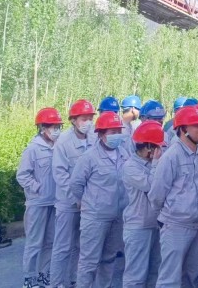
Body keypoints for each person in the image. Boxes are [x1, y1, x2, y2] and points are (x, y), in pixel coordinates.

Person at [148, 106, 198, 287]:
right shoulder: (171, 156)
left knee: (191, 276)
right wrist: (169, 217)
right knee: (170, 279)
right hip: (176, 226)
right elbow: (156, 194)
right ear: (183, 129)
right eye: (196, 125)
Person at [69, 111, 129, 288]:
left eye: (118, 131)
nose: (117, 135)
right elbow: (76, 184)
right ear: (101, 134)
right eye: (112, 132)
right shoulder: (89, 157)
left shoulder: (124, 153)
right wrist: (88, 203)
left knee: (109, 259)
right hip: (95, 218)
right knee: (89, 261)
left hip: (117, 217)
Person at [51, 100, 96, 288]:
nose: (88, 122)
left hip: (89, 204)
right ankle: (56, 283)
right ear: (73, 120)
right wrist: (75, 198)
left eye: (90, 118)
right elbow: (60, 175)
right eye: (84, 119)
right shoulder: (63, 142)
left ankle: (74, 280)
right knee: (62, 246)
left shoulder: (94, 137)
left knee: (81, 246)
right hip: (68, 203)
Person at [17, 107, 62, 288]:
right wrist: (38, 188)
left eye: (58, 127)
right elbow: (22, 175)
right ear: (43, 128)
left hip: (54, 203)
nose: (56, 130)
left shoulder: (58, 147)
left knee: (50, 242)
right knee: (34, 243)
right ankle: (29, 279)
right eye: (53, 127)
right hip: (37, 203)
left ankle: (44, 275)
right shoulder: (33, 149)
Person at [122, 120, 164, 288]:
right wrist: (156, 164)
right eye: (157, 147)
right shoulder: (130, 167)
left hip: (156, 224)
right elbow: (152, 186)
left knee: (155, 273)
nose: (160, 150)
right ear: (148, 147)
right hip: (138, 226)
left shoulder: (153, 162)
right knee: (135, 276)